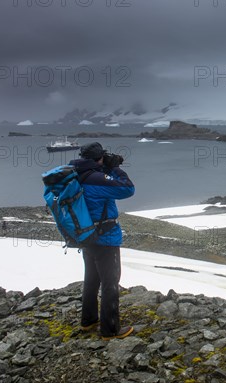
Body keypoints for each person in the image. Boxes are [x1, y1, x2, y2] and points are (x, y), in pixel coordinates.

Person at [70, 142, 135, 340]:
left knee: (91, 279)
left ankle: (88, 321)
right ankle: (110, 329)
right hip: (105, 237)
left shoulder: (76, 175)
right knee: (110, 282)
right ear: (98, 158)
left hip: (86, 235)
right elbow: (128, 189)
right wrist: (114, 168)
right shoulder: (97, 178)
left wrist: (104, 167)